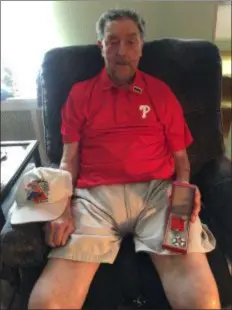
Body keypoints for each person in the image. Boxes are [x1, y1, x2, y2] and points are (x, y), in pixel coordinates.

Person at [28, 8, 220, 310]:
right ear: (100, 46)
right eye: (112, 41)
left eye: (131, 42)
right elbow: (69, 160)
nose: (122, 51)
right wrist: (62, 209)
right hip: (94, 199)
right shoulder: (80, 95)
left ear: (141, 47)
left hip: (157, 194)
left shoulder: (160, 93)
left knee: (203, 302)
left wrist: (183, 194)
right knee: (46, 304)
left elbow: (181, 160)